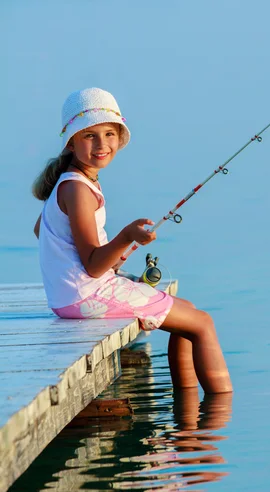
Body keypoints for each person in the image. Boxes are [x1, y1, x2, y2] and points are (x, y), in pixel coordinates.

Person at [33, 87, 232, 394]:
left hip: (72, 295)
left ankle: (188, 413)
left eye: (110, 134)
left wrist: (110, 254)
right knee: (203, 323)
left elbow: (42, 230)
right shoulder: (78, 189)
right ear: (71, 143)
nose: (102, 144)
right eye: (90, 136)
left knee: (187, 313)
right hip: (84, 297)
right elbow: (93, 266)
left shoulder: (73, 182)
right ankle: (218, 414)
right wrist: (125, 237)